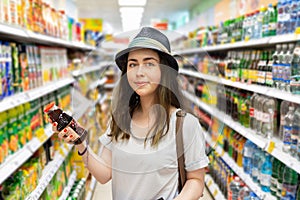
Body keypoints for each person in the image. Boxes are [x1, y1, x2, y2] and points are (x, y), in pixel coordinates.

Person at [51, 27, 209, 200]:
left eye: (149, 63)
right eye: (133, 64)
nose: (139, 72)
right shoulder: (120, 119)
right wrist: (80, 142)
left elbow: (195, 181)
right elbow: (104, 174)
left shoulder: (185, 124)